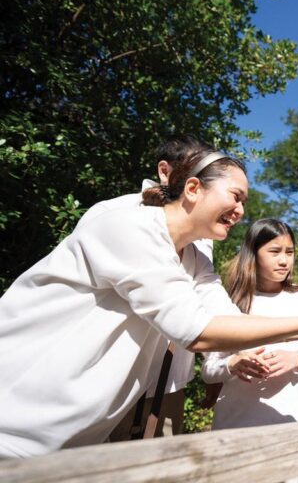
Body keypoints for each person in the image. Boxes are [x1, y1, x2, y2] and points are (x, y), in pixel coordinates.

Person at [0, 149, 298, 459]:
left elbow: (225, 318)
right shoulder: (129, 225)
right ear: (192, 188)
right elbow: (197, 331)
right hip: (17, 424)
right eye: (235, 196)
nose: (239, 210)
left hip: (72, 443)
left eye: (244, 202)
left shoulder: (194, 260)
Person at [76, 134, 215, 440]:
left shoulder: (203, 239)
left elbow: (206, 300)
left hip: (167, 384)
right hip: (106, 381)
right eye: (197, 175)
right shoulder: (114, 214)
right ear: (165, 171)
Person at [202, 219, 298, 483]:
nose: (284, 261)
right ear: (253, 253)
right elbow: (208, 371)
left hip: (291, 423)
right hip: (235, 427)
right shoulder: (229, 303)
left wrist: (297, 359)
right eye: (274, 252)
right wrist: (233, 364)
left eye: (290, 252)